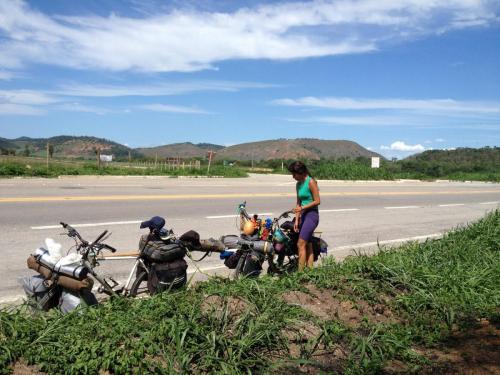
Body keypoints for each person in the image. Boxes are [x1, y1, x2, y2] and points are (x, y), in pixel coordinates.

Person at [288, 161, 320, 271]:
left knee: (300, 244)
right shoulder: (298, 184)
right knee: (308, 244)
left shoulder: (311, 182)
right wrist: (296, 220)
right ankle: (310, 271)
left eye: (294, 174)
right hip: (303, 216)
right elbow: (298, 203)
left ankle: (300, 275)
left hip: (312, 215)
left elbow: (317, 201)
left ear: (301, 172)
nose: (293, 177)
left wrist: (302, 208)